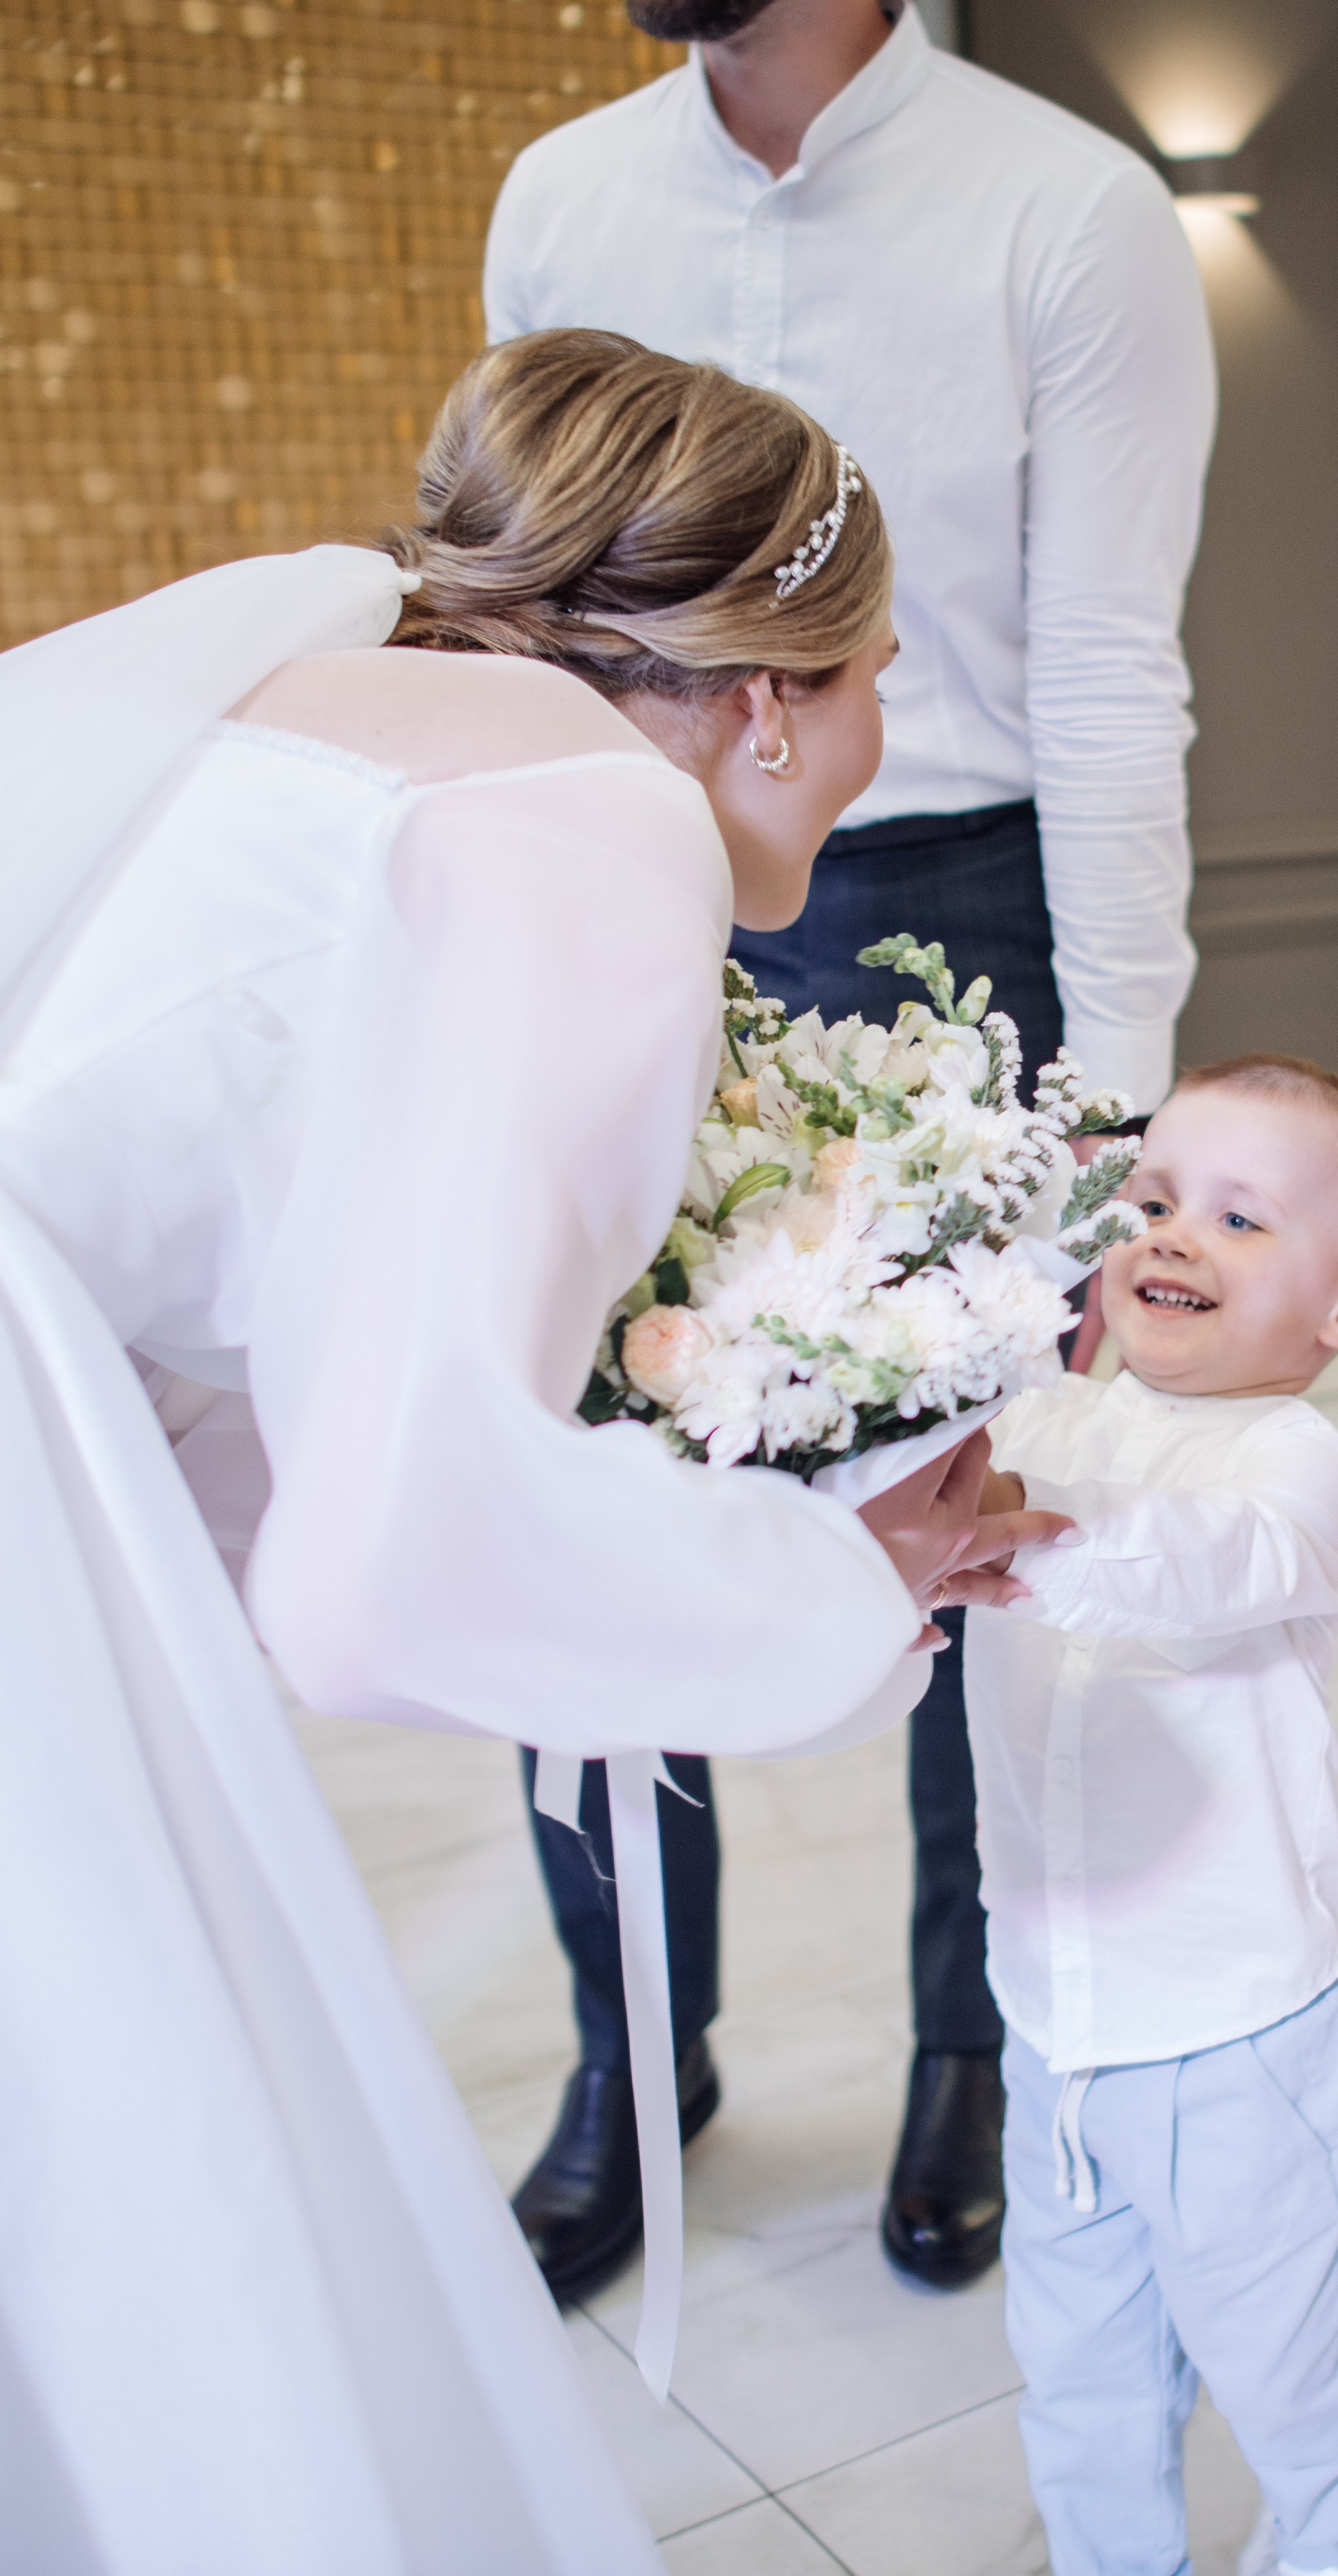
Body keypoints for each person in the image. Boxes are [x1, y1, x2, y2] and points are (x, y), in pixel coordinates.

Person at [0, 327, 1059, 2570]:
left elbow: (226, 1335)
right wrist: (837, 1588)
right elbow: (380, 1556)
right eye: (875, 679)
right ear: (768, 699)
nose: (879, 751)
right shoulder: (596, 832)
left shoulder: (320, 670)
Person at [486, 0, 1217, 2300]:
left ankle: (962, 2051)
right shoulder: (558, 201)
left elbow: (1109, 663)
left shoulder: (1068, 208)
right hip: (635, 899)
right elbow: (526, 630)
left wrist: (1115, 1090)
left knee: (970, 1512)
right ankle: (632, 2056)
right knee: (574, 1490)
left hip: (966, 908)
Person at [963, 1056, 1338, 2576]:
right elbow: (955, 1408)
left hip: (1246, 2039)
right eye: (1153, 1199)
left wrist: (1000, 1539)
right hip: (1056, 2020)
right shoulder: (1056, 1414)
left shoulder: (1292, 1466)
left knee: (1286, 2373)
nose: (1171, 1236)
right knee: (1079, 2371)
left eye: (1238, 1218)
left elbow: (1180, 1564)